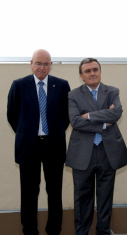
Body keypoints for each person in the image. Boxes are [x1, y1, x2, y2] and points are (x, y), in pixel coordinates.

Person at [7, 49, 70, 235]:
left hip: (54, 146)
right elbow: (12, 115)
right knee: (29, 193)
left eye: (46, 63)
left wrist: (54, 132)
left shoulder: (61, 85)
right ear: (31, 63)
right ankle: (29, 230)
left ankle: (54, 229)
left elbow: (66, 116)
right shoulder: (19, 85)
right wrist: (26, 132)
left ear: (51, 65)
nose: (42, 67)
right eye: (38, 63)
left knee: (54, 192)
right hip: (29, 146)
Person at [66, 58, 127, 235]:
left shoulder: (112, 91)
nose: (92, 73)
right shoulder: (73, 95)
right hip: (82, 153)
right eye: (87, 71)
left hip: (107, 151)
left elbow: (116, 112)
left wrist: (88, 116)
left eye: (95, 69)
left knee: (105, 197)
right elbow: (75, 121)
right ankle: (82, 232)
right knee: (82, 198)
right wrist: (103, 123)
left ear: (100, 71)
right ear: (81, 75)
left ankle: (103, 231)